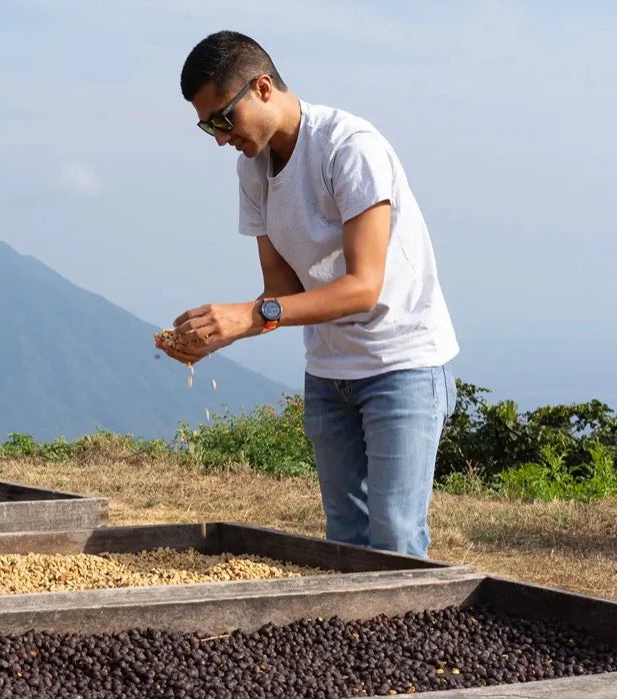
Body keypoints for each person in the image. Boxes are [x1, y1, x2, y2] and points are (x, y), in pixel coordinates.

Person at [157, 31, 460, 559]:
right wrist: (219, 333)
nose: (219, 138)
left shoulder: (349, 148)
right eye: (206, 125)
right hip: (328, 373)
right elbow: (281, 290)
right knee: (344, 539)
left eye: (223, 119)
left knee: (395, 535)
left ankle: (413, 642)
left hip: (401, 364)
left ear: (263, 87)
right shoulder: (252, 170)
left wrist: (249, 316)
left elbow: (364, 287)